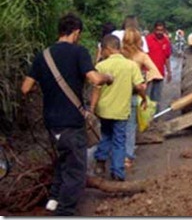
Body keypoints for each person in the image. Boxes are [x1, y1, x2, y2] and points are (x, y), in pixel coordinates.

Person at [21, 14, 113, 215]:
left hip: (50, 121)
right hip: (70, 121)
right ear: (76, 32)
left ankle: (53, 200)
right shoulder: (79, 52)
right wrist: (108, 77)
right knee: (76, 171)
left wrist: (49, 89)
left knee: (63, 160)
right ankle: (64, 212)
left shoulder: (42, 55)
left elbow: (26, 88)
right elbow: (95, 79)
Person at [90, 35, 147, 181]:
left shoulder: (100, 66)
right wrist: (144, 98)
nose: (101, 53)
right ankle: (117, 172)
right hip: (121, 110)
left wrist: (92, 108)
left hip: (104, 110)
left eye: (102, 50)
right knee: (119, 141)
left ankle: (100, 162)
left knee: (106, 135)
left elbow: (96, 89)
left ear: (107, 49)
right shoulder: (131, 65)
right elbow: (140, 86)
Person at [121, 28, 162, 168]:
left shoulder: (118, 54)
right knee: (130, 127)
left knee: (114, 126)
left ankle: (112, 154)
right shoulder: (141, 56)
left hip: (115, 94)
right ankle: (127, 157)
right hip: (132, 93)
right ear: (139, 40)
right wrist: (145, 83)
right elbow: (155, 72)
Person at [145, 21, 172, 104]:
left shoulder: (166, 41)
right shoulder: (148, 39)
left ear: (164, 30)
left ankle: (155, 115)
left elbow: (167, 58)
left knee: (156, 99)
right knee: (146, 96)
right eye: (157, 30)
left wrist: (169, 72)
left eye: (161, 30)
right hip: (148, 73)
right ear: (154, 30)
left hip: (160, 73)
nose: (159, 32)